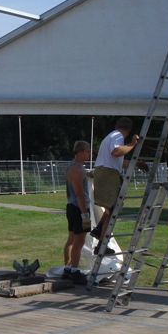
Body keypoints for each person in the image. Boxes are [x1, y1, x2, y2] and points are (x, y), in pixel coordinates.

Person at [91, 118, 139, 255]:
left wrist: (136, 163)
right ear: (128, 130)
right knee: (113, 209)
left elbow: (117, 160)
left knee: (110, 208)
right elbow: (116, 152)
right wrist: (133, 144)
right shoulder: (118, 136)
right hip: (108, 175)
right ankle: (101, 245)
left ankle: (99, 230)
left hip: (104, 172)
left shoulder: (111, 136)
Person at [62, 141, 91, 283]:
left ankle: (67, 269)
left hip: (72, 207)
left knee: (72, 239)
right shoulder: (77, 170)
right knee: (79, 241)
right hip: (79, 208)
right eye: (87, 151)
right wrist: (85, 213)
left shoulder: (75, 168)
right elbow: (79, 194)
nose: (89, 154)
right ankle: (73, 270)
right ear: (80, 152)